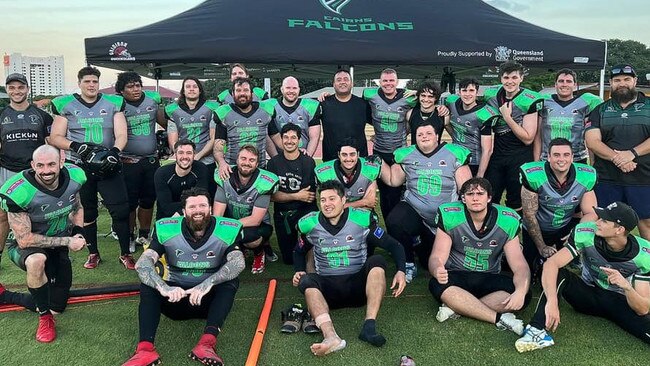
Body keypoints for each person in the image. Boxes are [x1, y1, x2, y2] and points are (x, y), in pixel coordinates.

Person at [122, 187, 244, 366]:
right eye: (192, 207)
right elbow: (143, 264)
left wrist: (207, 284)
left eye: (202, 205)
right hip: (176, 298)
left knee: (230, 280)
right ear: (184, 211)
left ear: (210, 208)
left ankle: (207, 344)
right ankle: (145, 350)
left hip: (207, 301)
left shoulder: (227, 229)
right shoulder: (166, 228)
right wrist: (164, 287)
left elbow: (238, 263)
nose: (198, 211)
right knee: (148, 283)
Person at [515, 201, 650, 352]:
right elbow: (551, 264)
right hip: (588, 295)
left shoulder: (644, 255)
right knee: (560, 273)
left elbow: (643, 309)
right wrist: (552, 301)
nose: (597, 222)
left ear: (619, 229)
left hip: (619, 301)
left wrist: (626, 287)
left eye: (604, 221)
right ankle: (536, 330)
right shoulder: (584, 233)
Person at [293, 180, 406, 355]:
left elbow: (394, 245)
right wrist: (299, 270)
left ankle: (369, 326)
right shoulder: (310, 224)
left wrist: (401, 270)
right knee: (306, 280)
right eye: (323, 200)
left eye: (332, 199)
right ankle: (331, 337)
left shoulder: (361, 219)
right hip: (328, 291)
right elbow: (298, 251)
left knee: (376, 261)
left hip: (358, 288)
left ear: (344, 200)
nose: (327, 204)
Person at [0, 145, 87, 342]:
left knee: (58, 306)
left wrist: (79, 232)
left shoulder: (75, 177)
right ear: (32, 165)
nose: (46, 170)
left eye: (51, 164)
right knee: (36, 261)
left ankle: (8, 296)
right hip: (27, 246)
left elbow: (77, 206)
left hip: (57, 244)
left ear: (61, 162)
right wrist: (68, 240)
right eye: (40, 165)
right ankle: (44, 318)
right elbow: (25, 239)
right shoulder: (19, 190)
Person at [49, 66, 133, 269]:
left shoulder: (113, 103)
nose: (91, 85)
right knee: (87, 212)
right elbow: (55, 137)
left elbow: (121, 134)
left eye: (95, 81)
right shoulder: (66, 104)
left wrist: (114, 150)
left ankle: (125, 253)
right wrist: (76, 146)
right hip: (79, 165)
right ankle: (93, 252)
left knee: (120, 210)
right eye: (87, 81)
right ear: (79, 83)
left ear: (98, 83)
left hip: (107, 164)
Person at [428, 178, 531, 335]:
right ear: (462, 198)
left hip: (488, 276)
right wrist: (437, 269)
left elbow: (519, 265)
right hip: (459, 275)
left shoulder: (507, 220)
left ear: (489, 197)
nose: (475, 198)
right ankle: (498, 318)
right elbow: (436, 256)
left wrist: (521, 291)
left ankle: (457, 307)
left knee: (524, 293)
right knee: (437, 284)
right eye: (470, 194)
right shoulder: (450, 215)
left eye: (480, 194)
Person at [381, 122, 472, 282]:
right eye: (420, 134)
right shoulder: (407, 154)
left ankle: (417, 242)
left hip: (443, 219)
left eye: (428, 133)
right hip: (415, 210)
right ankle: (408, 263)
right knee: (395, 220)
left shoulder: (454, 153)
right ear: (414, 138)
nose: (424, 137)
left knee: (429, 261)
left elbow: (465, 189)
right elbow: (394, 181)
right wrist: (379, 163)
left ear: (437, 136)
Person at [585, 63, 650, 240]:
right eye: (617, 80)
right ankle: (602, 263)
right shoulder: (600, 110)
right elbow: (592, 141)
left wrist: (632, 154)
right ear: (611, 83)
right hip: (608, 178)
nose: (622, 83)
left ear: (635, 81)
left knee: (646, 222)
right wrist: (618, 158)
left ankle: (646, 265)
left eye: (627, 79)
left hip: (643, 177)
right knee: (605, 221)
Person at [520, 138, 598, 276]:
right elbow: (529, 215)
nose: (561, 159)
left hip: (565, 225)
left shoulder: (585, 175)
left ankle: (573, 255)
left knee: (564, 265)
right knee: (531, 269)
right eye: (556, 155)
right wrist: (541, 247)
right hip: (538, 226)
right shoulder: (534, 175)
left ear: (572, 157)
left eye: (566, 155)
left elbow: (590, 213)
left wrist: (576, 234)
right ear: (548, 157)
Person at [0, 73, 53, 265]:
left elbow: (50, 143)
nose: (16, 91)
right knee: (3, 214)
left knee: (41, 212)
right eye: (12, 88)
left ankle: (47, 251)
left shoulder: (42, 115)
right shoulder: (2, 115)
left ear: (27, 89)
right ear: (7, 90)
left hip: (36, 173)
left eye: (20, 87)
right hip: (8, 171)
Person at [115, 71, 167, 250]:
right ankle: (129, 234)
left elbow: (165, 123)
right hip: (128, 160)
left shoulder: (152, 100)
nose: (135, 89)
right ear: (121, 91)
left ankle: (143, 234)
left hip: (151, 159)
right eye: (130, 86)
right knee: (130, 201)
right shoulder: (118, 105)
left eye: (137, 85)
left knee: (148, 199)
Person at [484, 61, 543, 211]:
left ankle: (514, 231)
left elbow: (529, 138)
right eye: (506, 77)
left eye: (514, 77)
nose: (510, 81)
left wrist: (508, 117)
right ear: (500, 79)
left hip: (519, 152)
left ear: (521, 78)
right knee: (491, 194)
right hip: (497, 150)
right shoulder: (491, 94)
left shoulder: (529, 98)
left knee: (515, 199)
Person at [213, 145, 279, 274]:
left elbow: (255, 219)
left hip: (257, 226)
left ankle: (259, 252)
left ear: (257, 164)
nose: (247, 163)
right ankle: (238, 248)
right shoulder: (224, 175)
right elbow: (218, 214)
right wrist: (220, 229)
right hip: (233, 222)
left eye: (251, 160)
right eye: (243, 158)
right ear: (236, 160)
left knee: (251, 238)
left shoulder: (264, 182)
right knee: (216, 227)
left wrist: (229, 228)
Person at [362, 68, 417, 219]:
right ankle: (388, 222)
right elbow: (365, 113)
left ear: (397, 82)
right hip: (379, 151)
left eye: (391, 80)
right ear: (379, 82)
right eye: (385, 81)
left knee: (398, 193)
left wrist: (417, 92)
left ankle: (398, 223)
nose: (388, 84)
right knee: (384, 193)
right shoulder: (371, 95)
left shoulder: (408, 97)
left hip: (398, 153)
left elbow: (425, 108)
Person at [266, 123, 317, 265]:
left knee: (310, 251)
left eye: (293, 137)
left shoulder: (308, 162)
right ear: (281, 139)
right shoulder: (273, 163)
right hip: (283, 214)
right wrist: (295, 195)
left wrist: (284, 196)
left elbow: (308, 196)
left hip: (305, 211)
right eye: (286, 137)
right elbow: (271, 196)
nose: (289, 141)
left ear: (299, 140)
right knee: (289, 260)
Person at [214, 78, 277, 179]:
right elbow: (218, 145)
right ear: (233, 95)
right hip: (232, 168)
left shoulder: (265, 111)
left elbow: (273, 138)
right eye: (238, 90)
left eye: (246, 90)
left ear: (252, 94)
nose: (242, 93)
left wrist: (295, 152)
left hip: (259, 168)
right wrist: (221, 163)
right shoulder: (224, 113)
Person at [534, 69, 602, 163]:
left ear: (574, 85)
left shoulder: (584, 102)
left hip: (577, 159)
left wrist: (593, 163)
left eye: (569, 81)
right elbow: (538, 134)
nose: (564, 84)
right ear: (555, 84)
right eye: (561, 81)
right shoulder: (544, 102)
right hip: (548, 159)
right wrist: (536, 161)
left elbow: (590, 135)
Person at [164, 76, 217, 195]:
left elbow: (213, 138)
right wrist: (185, 156)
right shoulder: (173, 110)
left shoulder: (211, 108)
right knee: (183, 198)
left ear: (200, 90)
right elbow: (173, 142)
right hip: (184, 162)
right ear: (183, 90)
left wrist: (197, 156)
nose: (191, 89)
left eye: (195, 86)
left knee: (208, 197)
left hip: (206, 161)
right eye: (188, 86)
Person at [443, 78, 498, 177]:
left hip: (474, 162)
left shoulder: (483, 114)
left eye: (471, 90)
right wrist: (446, 124)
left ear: (477, 92)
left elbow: (487, 149)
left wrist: (480, 175)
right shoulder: (452, 103)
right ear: (459, 92)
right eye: (464, 90)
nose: (467, 94)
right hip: (456, 157)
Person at [320, 69, 372, 161]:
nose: (342, 82)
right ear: (333, 84)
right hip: (331, 160)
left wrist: (378, 137)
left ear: (352, 84)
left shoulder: (363, 104)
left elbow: (380, 121)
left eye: (346, 79)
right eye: (339, 80)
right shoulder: (324, 104)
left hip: (358, 159)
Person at [315, 138, 379, 211]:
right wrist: (363, 202)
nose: (348, 159)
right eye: (344, 155)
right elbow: (329, 208)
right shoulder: (325, 173)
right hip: (336, 218)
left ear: (358, 154)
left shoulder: (370, 170)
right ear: (339, 155)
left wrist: (341, 206)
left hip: (361, 215)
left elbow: (369, 203)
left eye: (352, 154)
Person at [154, 140, 209, 220]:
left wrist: (180, 211)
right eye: (181, 153)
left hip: (194, 215)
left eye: (189, 153)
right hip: (168, 217)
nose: (185, 157)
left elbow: (200, 200)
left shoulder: (201, 169)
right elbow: (166, 207)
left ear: (194, 155)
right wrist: (189, 206)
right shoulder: (162, 173)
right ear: (175, 155)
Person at [268, 76, 322, 157]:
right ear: (282, 89)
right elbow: (273, 135)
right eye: (288, 88)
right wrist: (278, 159)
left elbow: (314, 138)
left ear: (299, 90)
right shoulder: (272, 106)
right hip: (280, 156)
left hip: (303, 154)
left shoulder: (310, 106)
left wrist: (307, 158)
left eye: (294, 88)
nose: (291, 91)